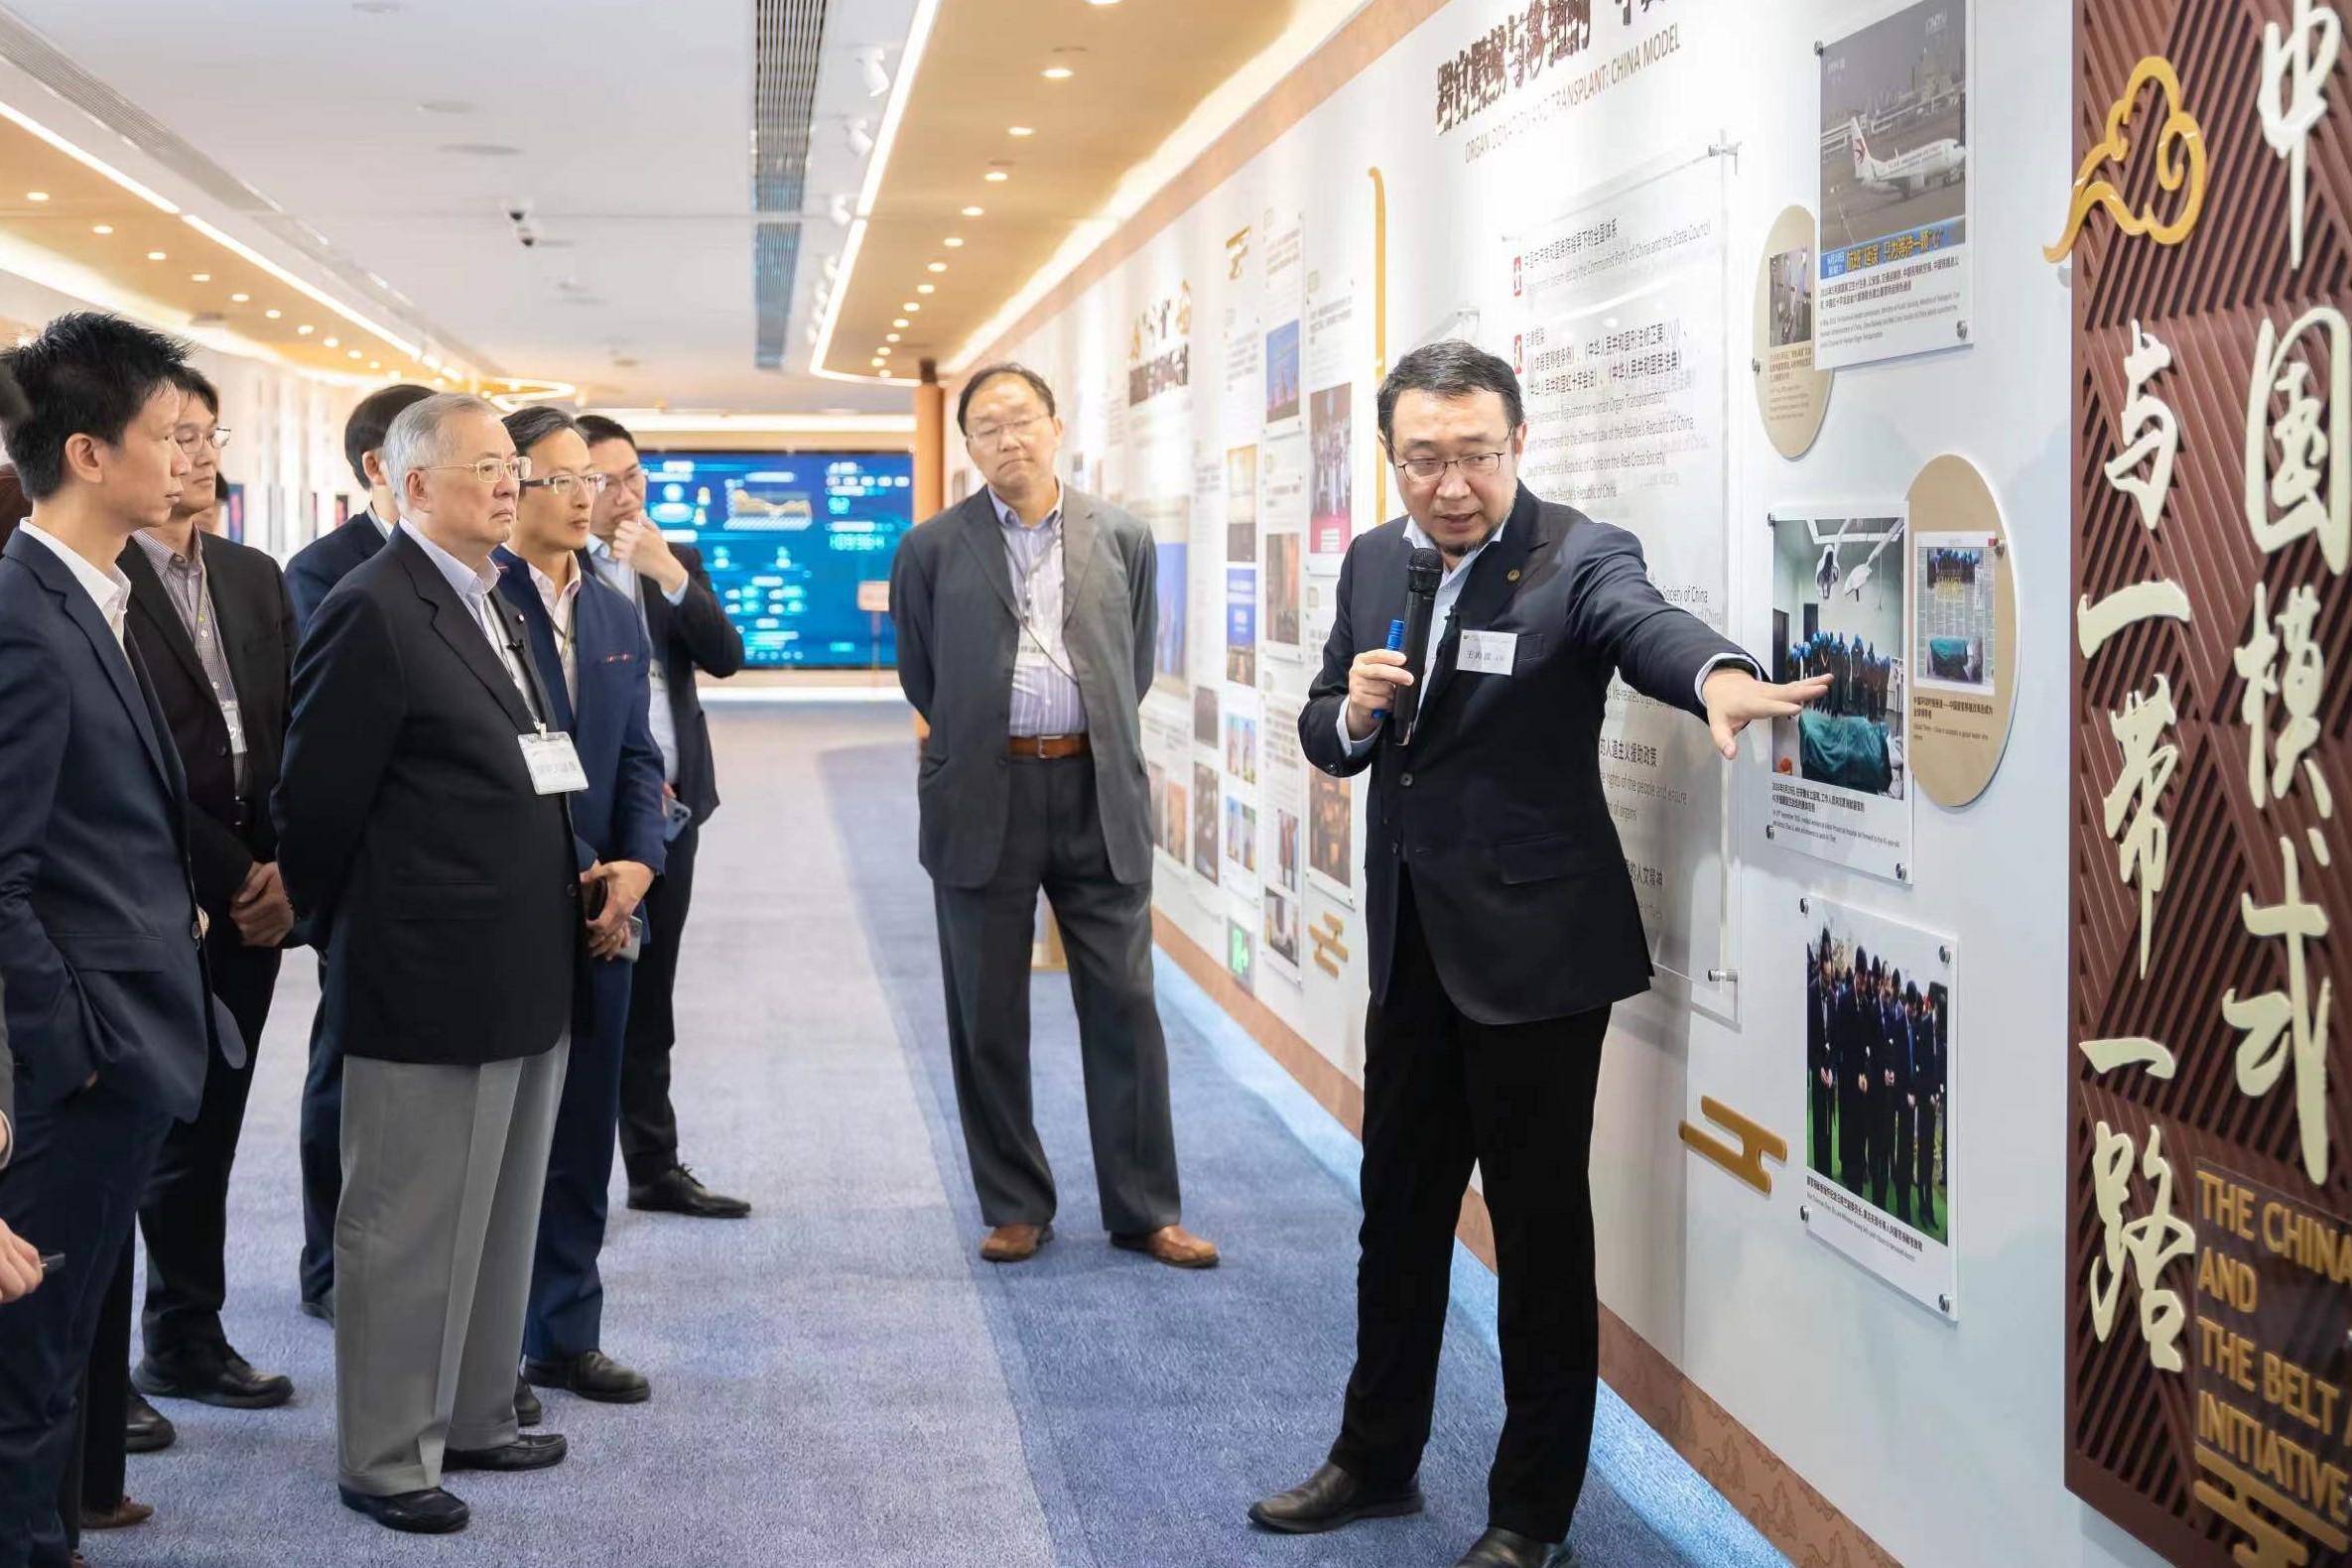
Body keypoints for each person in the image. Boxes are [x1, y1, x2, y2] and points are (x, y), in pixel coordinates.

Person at [1253, 341, 1822, 1568]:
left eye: (1474, 454)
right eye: (1424, 457)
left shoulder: (1577, 553)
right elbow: (1323, 725)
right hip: (1411, 952)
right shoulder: (1369, 560)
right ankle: (1375, 1457)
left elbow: (1643, 626)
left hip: (1537, 962)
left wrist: (1717, 673)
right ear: (1395, 456)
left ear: (1517, 446)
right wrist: (1350, 710)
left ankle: (1530, 1513)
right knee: (1396, 1215)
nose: (1449, 483)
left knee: (1540, 1235)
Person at [275, 393, 588, 1535]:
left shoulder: (493, 594)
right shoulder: (374, 608)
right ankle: (386, 1452)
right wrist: (344, 930)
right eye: (487, 468)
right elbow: (315, 808)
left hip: (523, 959)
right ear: (412, 486)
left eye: (516, 467)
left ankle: (474, 1411)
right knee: (405, 1226)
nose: (512, 485)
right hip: (422, 970)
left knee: (502, 1209)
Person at [0, 312, 238, 1568]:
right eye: (165, 435)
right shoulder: (26, 613)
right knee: (28, 1370)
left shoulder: (93, 591)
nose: (188, 459)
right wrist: (75, 1046)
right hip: (76, 1064)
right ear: (88, 454)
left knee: (67, 1338)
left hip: (130, 1028)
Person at [889, 363, 1217, 1270]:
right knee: (986, 1010)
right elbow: (925, 675)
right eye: (986, 427)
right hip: (980, 794)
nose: (1008, 439)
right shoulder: (929, 549)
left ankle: (1145, 1208)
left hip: (1093, 791)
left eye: (1021, 420)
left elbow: (1134, 663)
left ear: (1056, 425)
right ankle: (1015, 1203)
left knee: (1125, 1003)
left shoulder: (1122, 535)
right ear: (968, 447)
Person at [120, 366, 299, 1413]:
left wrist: (284, 872)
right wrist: (237, 872)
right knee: (131, 1127)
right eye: (173, 434)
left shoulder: (250, 572)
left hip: (255, 897)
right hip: (153, 887)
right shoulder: (92, 577)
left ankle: (184, 1334)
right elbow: (126, 764)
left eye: (207, 433)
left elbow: (287, 730)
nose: (197, 454)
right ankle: (101, 1369)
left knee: (213, 1126)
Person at [494, 407, 667, 1408]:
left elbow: (637, 753)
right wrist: (579, 865)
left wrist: (637, 864)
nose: (584, 496)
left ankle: (565, 1332)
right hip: (512, 907)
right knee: (502, 1146)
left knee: (582, 1133)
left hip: (609, 910)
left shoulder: (609, 606)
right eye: (558, 478)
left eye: (587, 480)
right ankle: (486, 1354)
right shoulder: (478, 601)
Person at [284, 380, 434, 1322]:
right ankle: (328, 1262)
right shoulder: (325, 571)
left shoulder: (472, 568)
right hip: (366, 869)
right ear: (385, 468)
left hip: (450, 876)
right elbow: (323, 742)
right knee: (345, 1068)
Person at [577, 414, 752, 1221]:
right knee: (583, 1005)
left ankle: (653, 1165)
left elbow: (725, 654)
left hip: (675, 817)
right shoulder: (546, 565)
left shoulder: (673, 557)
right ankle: (566, 1183)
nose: (624, 494)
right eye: (606, 479)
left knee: (653, 1004)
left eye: (635, 476)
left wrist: (672, 577)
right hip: (589, 823)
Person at [1835, 952, 1874, 1196]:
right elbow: (1841, 1041)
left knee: (1860, 1126)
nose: (1862, 983)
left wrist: (1866, 1073)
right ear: (1855, 976)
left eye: (1864, 979)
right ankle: (1849, 1170)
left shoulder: (1866, 1002)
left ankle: (1858, 1168)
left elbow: (1867, 1043)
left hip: (1862, 1078)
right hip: (1849, 1078)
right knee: (1849, 1125)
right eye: (1859, 978)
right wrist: (1853, 1075)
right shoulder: (1846, 1000)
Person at [1807, 936, 1835, 1174]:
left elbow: (1835, 1040)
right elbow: (1808, 1040)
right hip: (1817, 1070)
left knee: (1829, 1125)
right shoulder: (1811, 993)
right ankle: (1819, 1172)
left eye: (1830, 978)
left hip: (1830, 1070)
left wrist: (1832, 1069)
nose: (1828, 982)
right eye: (1825, 978)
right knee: (1818, 1124)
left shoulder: (1833, 997)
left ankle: (1827, 1169)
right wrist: (1820, 1070)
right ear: (1820, 968)